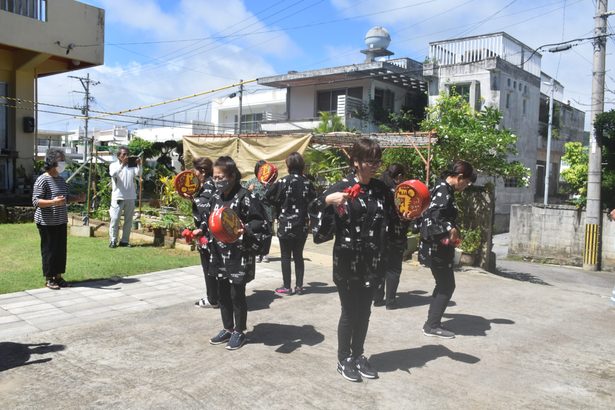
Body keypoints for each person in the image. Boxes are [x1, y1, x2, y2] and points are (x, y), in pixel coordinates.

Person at [310, 138, 412, 382]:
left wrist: (406, 218)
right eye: (369, 160)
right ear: (355, 161)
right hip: (347, 261)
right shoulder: (341, 186)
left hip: (373, 261)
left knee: (365, 311)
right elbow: (314, 211)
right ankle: (343, 358)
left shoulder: (381, 190)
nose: (375, 165)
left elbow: (394, 220)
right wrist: (327, 201)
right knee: (349, 311)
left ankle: (358, 355)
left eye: (378, 161)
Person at [205, 156, 271, 350]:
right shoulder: (216, 198)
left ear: (232, 176)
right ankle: (227, 328)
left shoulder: (245, 196)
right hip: (218, 252)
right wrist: (201, 230)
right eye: (214, 177)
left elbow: (260, 222)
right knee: (222, 293)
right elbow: (209, 220)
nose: (217, 181)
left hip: (238, 254)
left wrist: (246, 228)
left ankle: (239, 331)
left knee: (237, 294)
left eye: (221, 177)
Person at [418, 160, 477, 339]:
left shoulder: (443, 188)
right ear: (459, 178)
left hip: (439, 247)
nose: (465, 187)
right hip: (437, 248)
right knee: (446, 285)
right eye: (466, 183)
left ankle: (432, 322)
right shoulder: (443, 189)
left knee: (443, 284)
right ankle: (432, 325)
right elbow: (434, 215)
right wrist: (450, 228)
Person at [265, 152, 316, 295]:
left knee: (285, 256)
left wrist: (279, 205)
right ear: (301, 166)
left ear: (288, 166)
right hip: (302, 224)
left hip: (285, 223)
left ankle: (286, 287)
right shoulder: (307, 183)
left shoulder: (282, 181)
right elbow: (315, 202)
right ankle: (299, 286)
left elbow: (267, 197)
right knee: (298, 256)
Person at [32, 149, 84, 289]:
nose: (63, 163)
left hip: (61, 220)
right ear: (52, 162)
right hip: (46, 222)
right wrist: (53, 202)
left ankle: (59, 276)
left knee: (60, 250)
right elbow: (36, 202)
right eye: (60, 160)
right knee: (49, 249)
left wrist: (77, 198)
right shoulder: (42, 180)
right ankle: (49, 278)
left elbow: (65, 198)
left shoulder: (61, 180)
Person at [373, 164, 408, 310]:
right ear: (398, 176)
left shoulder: (378, 188)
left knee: (379, 267)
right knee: (393, 268)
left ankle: (377, 299)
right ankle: (390, 301)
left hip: (378, 234)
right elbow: (403, 213)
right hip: (395, 234)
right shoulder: (399, 192)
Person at [188, 157, 219, 308]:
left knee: (208, 268)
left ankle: (212, 299)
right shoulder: (212, 184)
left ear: (202, 171)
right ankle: (217, 297)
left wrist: (200, 231)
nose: (194, 173)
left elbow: (205, 210)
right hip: (213, 234)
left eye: (195, 170)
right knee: (214, 267)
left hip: (207, 235)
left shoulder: (207, 187)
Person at [108, 146, 140, 248]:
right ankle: (113, 240)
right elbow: (113, 174)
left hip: (130, 197)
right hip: (118, 197)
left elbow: (139, 174)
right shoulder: (113, 165)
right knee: (115, 219)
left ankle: (124, 241)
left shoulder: (131, 165)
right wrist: (122, 165)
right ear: (118, 156)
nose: (126, 156)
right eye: (124, 154)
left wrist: (139, 165)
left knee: (128, 221)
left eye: (127, 154)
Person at [245, 160, 274, 263]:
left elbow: (274, 196)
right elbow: (243, 196)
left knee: (268, 233)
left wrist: (268, 186)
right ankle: (257, 253)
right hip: (255, 212)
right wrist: (248, 190)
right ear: (257, 170)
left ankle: (265, 253)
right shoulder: (251, 182)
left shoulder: (270, 183)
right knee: (256, 233)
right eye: (261, 169)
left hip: (268, 212)